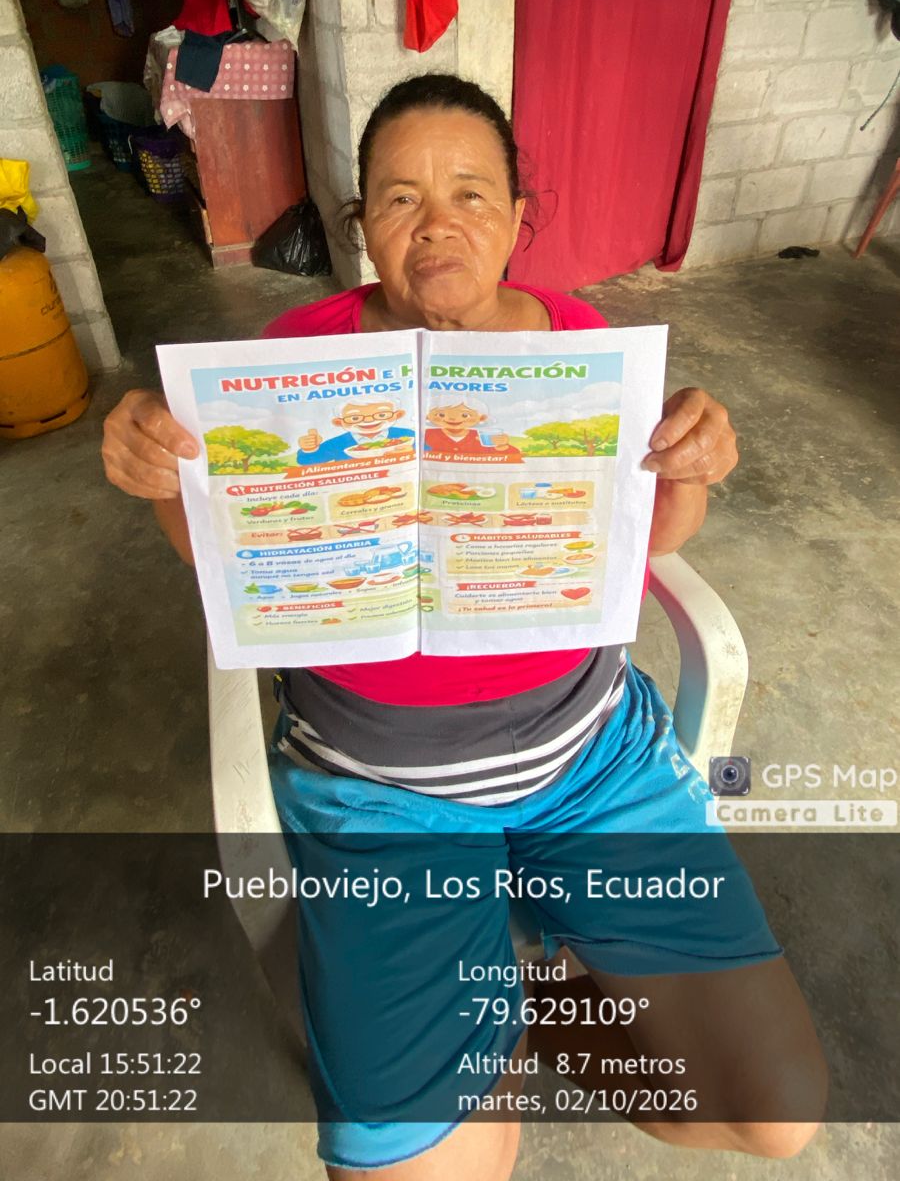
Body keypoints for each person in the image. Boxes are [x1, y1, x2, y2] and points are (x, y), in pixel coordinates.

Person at [102, 74, 827, 1180]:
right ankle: (478, 1019)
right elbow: (224, 553)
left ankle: (529, 1009)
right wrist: (161, 466)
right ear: (361, 227)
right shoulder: (292, 361)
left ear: (519, 217)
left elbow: (655, 534)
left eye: (471, 194)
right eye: (400, 199)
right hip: (379, 794)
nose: (437, 224)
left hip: (592, 763)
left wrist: (695, 461)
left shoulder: (582, 346)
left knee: (774, 1112)